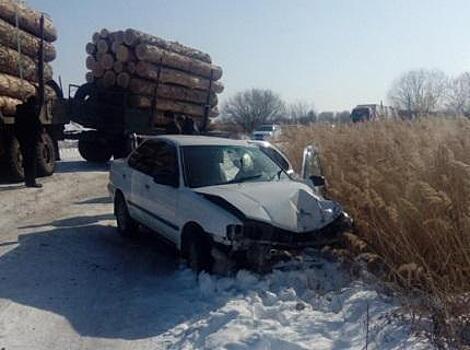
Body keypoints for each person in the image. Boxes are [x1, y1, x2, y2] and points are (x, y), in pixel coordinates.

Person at [15, 95, 42, 188]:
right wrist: (39, 135)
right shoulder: (31, 111)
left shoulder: (19, 111)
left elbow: (16, 127)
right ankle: (32, 181)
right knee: (31, 160)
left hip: (23, 139)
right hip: (31, 139)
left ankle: (28, 181)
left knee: (26, 160)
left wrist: (20, 138)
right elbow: (37, 125)